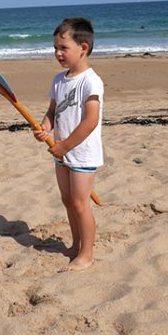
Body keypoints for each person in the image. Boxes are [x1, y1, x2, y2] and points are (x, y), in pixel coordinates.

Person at [33, 18, 103, 272]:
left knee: (80, 202)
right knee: (67, 199)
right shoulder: (58, 80)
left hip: (82, 153)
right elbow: (53, 111)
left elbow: (91, 120)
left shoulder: (90, 81)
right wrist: (45, 128)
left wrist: (66, 146)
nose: (58, 53)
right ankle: (75, 244)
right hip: (61, 151)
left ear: (82, 48)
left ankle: (87, 254)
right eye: (55, 48)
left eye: (63, 48)